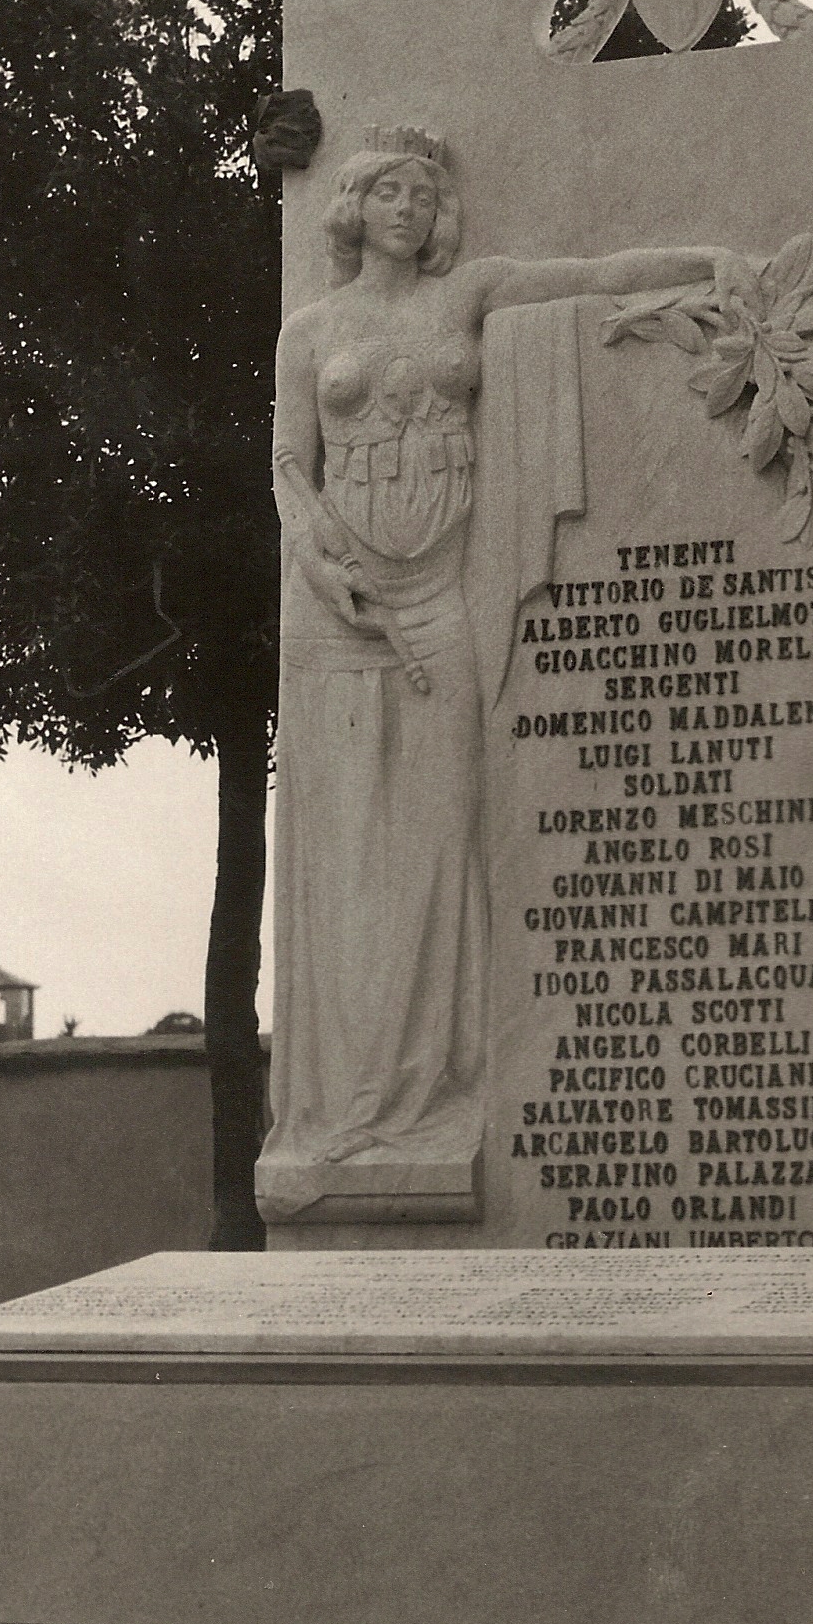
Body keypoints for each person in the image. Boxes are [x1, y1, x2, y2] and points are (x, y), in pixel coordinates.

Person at [258, 126, 726, 1199]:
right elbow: (291, 462)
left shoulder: (469, 292)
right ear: (356, 204)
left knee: (440, 834)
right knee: (344, 849)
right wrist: (322, 565)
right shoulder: (312, 329)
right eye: (392, 192)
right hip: (339, 600)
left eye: (427, 195)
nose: (412, 210)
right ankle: (340, 1109)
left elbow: (593, 276)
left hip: (437, 594)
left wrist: (708, 264)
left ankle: (422, 1096)